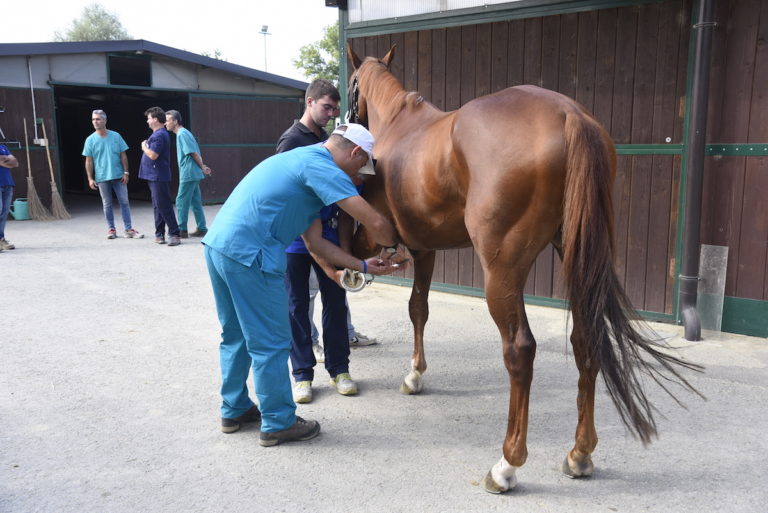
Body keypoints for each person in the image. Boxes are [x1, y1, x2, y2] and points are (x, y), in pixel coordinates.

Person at [202, 123, 409, 446]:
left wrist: (363, 265)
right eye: (362, 165)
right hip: (251, 255)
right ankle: (278, 423)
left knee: (236, 334)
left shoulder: (301, 163)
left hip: (221, 247)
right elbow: (375, 222)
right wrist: (396, 247)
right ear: (355, 152)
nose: (359, 175)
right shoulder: (323, 168)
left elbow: (315, 244)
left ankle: (234, 407)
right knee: (271, 341)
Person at [276, 80, 375, 402]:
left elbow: (345, 204)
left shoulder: (330, 140)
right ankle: (302, 375)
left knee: (335, 301)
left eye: (335, 109)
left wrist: (344, 254)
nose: (331, 114)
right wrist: (330, 260)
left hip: (328, 235)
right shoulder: (292, 142)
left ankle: (339, 369)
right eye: (326, 108)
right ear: (309, 102)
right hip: (297, 237)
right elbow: (298, 206)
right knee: (297, 305)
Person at [82, 110, 143, 240]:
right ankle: (111, 229)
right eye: (93, 119)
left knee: (124, 202)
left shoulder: (116, 136)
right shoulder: (90, 140)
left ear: (105, 120)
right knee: (107, 204)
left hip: (118, 175)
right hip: (102, 177)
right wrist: (90, 178)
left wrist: (126, 172)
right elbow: (89, 160)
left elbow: (123, 155)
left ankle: (128, 229)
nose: (95, 122)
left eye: (98, 119)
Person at [164, 110, 211, 239]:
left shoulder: (182, 134)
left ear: (175, 121)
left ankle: (182, 230)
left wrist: (202, 166)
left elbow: (192, 153)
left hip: (189, 173)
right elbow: (194, 152)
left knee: (181, 201)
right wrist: (202, 167)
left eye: (167, 120)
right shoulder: (184, 133)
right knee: (195, 202)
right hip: (193, 172)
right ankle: (202, 228)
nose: (165, 123)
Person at [139, 107, 181, 246]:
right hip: (153, 175)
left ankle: (174, 234)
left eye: (149, 118)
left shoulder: (159, 135)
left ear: (156, 119)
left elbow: (153, 155)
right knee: (158, 205)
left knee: (163, 205)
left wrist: (144, 146)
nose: (147, 121)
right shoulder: (158, 134)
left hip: (158, 175)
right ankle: (159, 233)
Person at [0, 143, 19, 251]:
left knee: (4, 213)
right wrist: (7, 160)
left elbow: (15, 162)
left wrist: (5, 160)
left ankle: (1, 239)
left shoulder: (3, 147)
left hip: (8, 183)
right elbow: (5, 160)